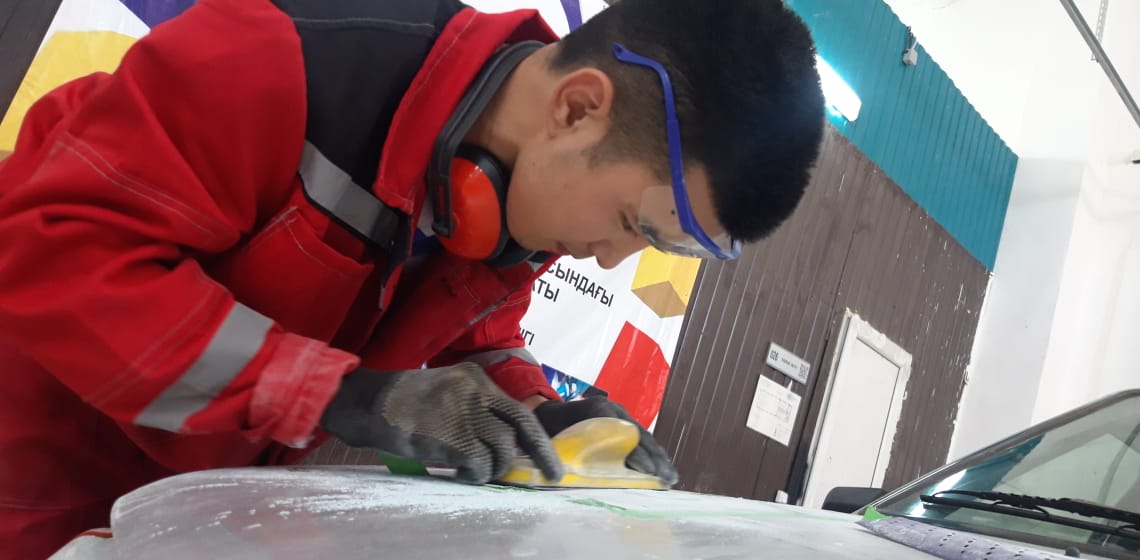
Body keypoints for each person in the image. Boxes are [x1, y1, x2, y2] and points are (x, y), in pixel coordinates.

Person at [0, 0, 825, 556]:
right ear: (577, 107)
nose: (611, 258)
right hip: (31, 482)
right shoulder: (281, 63)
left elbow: (476, 336)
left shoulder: (515, 202)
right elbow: (53, 257)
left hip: (178, 511)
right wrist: (339, 395)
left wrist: (540, 413)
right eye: (633, 223)